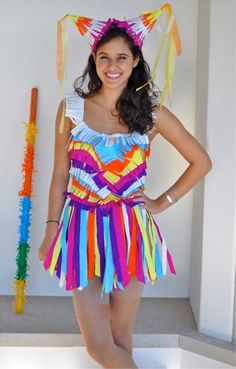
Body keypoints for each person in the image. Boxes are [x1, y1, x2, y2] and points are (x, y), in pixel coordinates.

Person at [38, 9, 212, 369]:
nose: (112, 65)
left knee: (120, 338)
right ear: (94, 61)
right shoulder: (70, 109)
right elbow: (59, 173)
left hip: (131, 233)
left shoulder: (151, 113)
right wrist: (51, 229)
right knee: (99, 347)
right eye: (104, 57)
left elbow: (201, 161)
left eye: (121, 57)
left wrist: (162, 202)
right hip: (80, 230)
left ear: (135, 62)